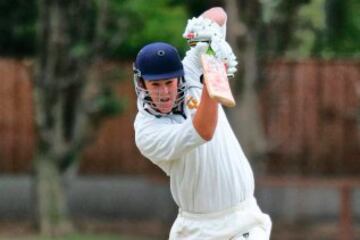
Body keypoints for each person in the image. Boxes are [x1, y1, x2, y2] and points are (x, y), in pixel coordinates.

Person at [133, 7, 271, 240]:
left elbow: (218, 14)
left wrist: (204, 34)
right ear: (142, 83)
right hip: (196, 228)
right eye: (155, 85)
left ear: (179, 76)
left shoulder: (191, 70)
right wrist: (213, 74)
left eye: (169, 82)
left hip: (242, 219)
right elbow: (204, 130)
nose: (164, 92)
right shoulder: (147, 131)